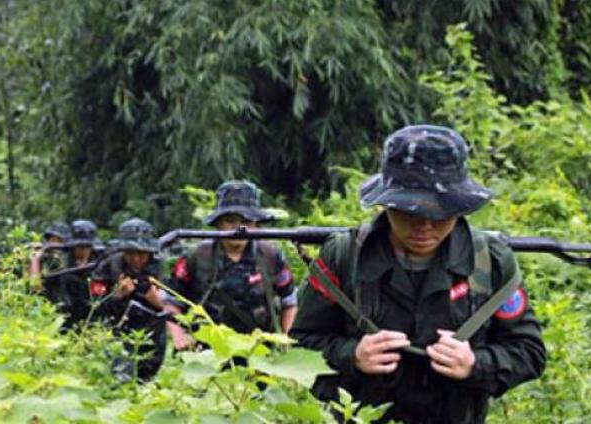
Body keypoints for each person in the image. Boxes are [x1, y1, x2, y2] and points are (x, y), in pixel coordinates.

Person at [290, 125, 546, 423]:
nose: (424, 225)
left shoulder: (489, 261)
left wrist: (475, 364)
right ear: (386, 203)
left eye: (440, 212)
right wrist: (352, 355)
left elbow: (529, 352)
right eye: (409, 211)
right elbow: (300, 344)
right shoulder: (345, 257)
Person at [163, 181, 298, 351]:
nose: (238, 228)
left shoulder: (270, 256)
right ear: (218, 223)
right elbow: (170, 301)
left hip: (260, 353)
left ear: (255, 224)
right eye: (230, 221)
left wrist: (286, 339)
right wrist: (179, 336)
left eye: (246, 221)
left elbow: (290, 301)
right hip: (208, 353)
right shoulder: (197, 257)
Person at [89, 218, 168, 382]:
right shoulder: (109, 266)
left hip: (152, 335)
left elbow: (178, 304)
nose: (136, 259)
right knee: (121, 381)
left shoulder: (159, 268)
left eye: (141, 253)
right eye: (131, 253)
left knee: (148, 380)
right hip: (118, 333)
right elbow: (94, 307)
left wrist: (158, 301)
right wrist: (117, 295)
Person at [41, 220, 100, 328]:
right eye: (79, 247)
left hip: (90, 316)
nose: (83, 251)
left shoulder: (98, 261)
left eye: (86, 247)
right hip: (65, 315)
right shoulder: (61, 261)